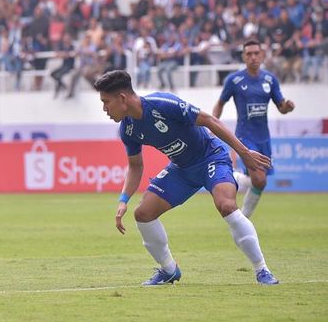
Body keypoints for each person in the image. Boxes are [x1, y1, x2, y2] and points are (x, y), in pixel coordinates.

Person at [93, 70, 279, 286]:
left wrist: (244, 153)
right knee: (143, 214)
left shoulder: (162, 104)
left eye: (106, 102)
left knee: (226, 206)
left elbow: (209, 120)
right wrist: (123, 200)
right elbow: (135, 166)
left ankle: (262, 270)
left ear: (122, 98)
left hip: (211, 157)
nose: (104, 109)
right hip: (181, 168)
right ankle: (169, 270)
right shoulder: (128, 129)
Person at [212, 40, 295, 218]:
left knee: (260, 183)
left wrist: (288, 107)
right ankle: (244, 217)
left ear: (262, 55)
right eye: (249, 54)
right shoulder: (234, 80)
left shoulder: (270, 80)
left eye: (256, 53)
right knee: (260, 179)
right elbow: (220, 104)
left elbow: (281, 106)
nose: (253, 57)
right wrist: (212, 125)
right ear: (243, 56)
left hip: (264, 138)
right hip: (244, 137)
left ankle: (242, 211)